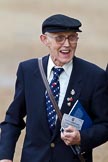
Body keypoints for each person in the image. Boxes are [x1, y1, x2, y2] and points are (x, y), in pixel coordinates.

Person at [0, 14, 108, 162]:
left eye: (72, 37)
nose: (67, 44)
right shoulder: (28, 70)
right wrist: (5, 157)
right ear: (44, 40)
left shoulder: (95, 76)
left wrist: (82, 137)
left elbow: (105, 124)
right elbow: (13, 120)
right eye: (59, 38)